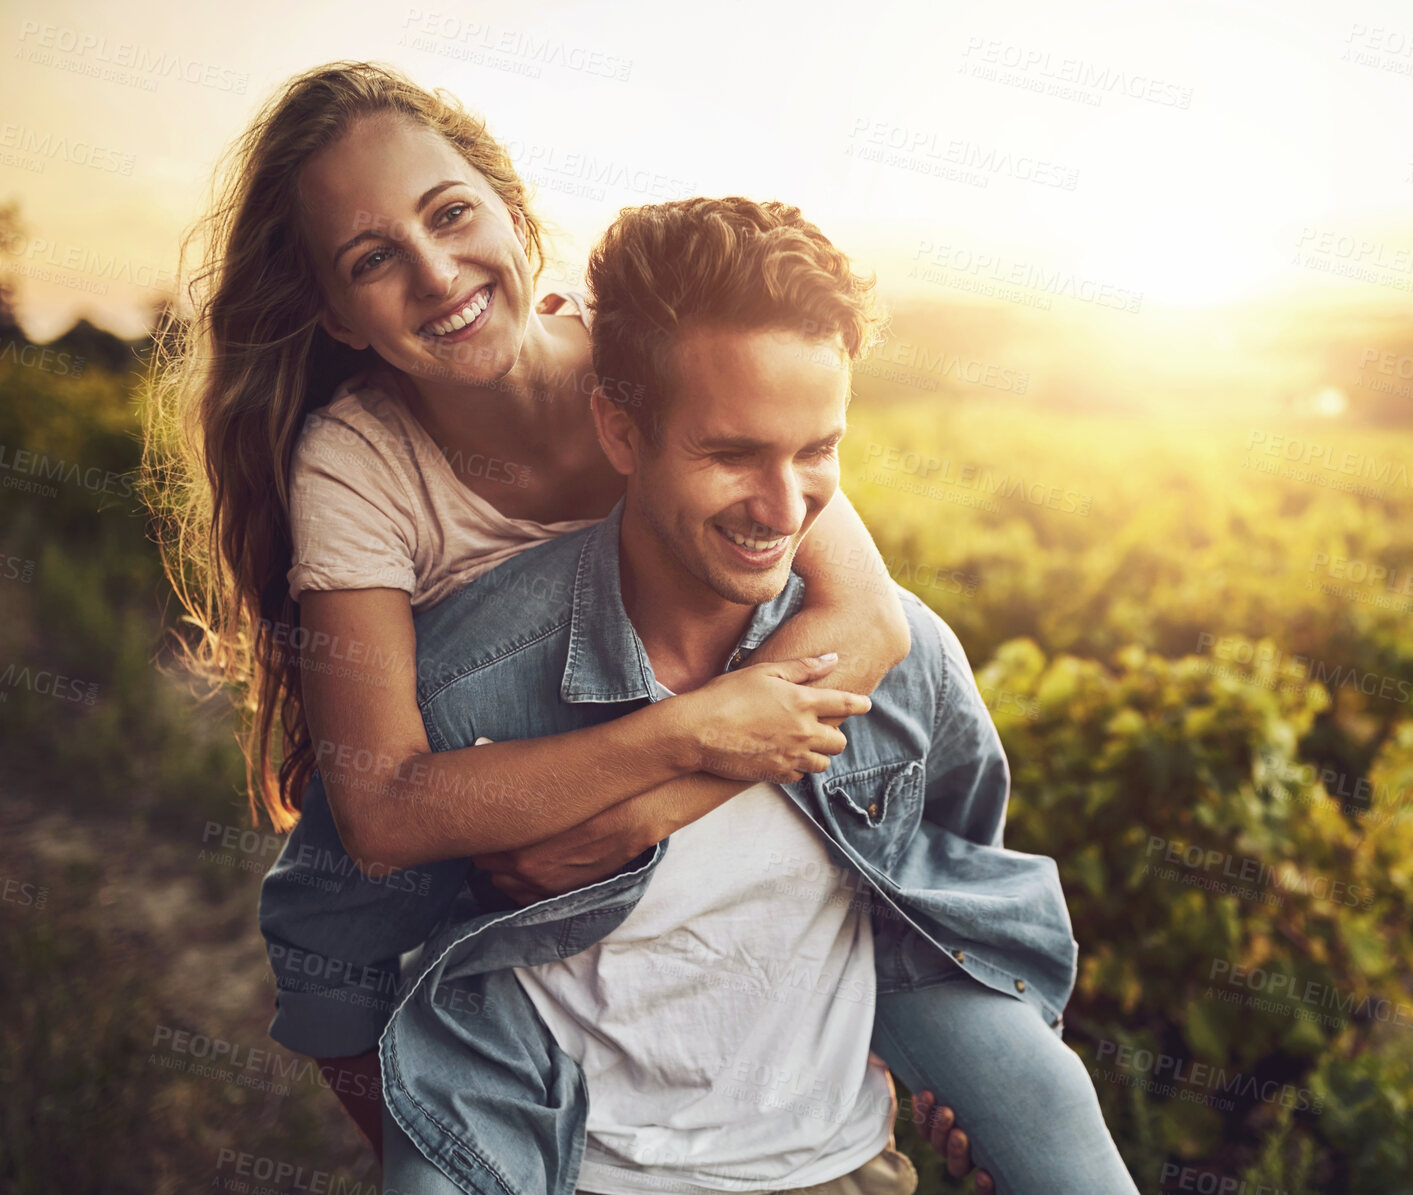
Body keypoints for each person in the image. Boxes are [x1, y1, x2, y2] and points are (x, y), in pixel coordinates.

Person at [149, 60, 996, 1185]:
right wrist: (684, 737)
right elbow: (383, 809)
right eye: (371, 259)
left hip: (694, 860)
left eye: (451, 213)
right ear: (330, 311)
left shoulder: (638, 358)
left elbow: (867, 618)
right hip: (516, 865)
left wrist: (647, 804)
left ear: (510, 204)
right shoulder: (356, 467)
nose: (439, 272)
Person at [260, 193, 1140, 1193]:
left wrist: (964, 1060)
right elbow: (328, 939)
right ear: (619, 432)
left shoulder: (896, 656)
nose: (783, 507)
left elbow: (948, 870)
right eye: (731, 455)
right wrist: (435, 1153)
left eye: (817, 452)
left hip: (838, 1170)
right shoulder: (468, 683)